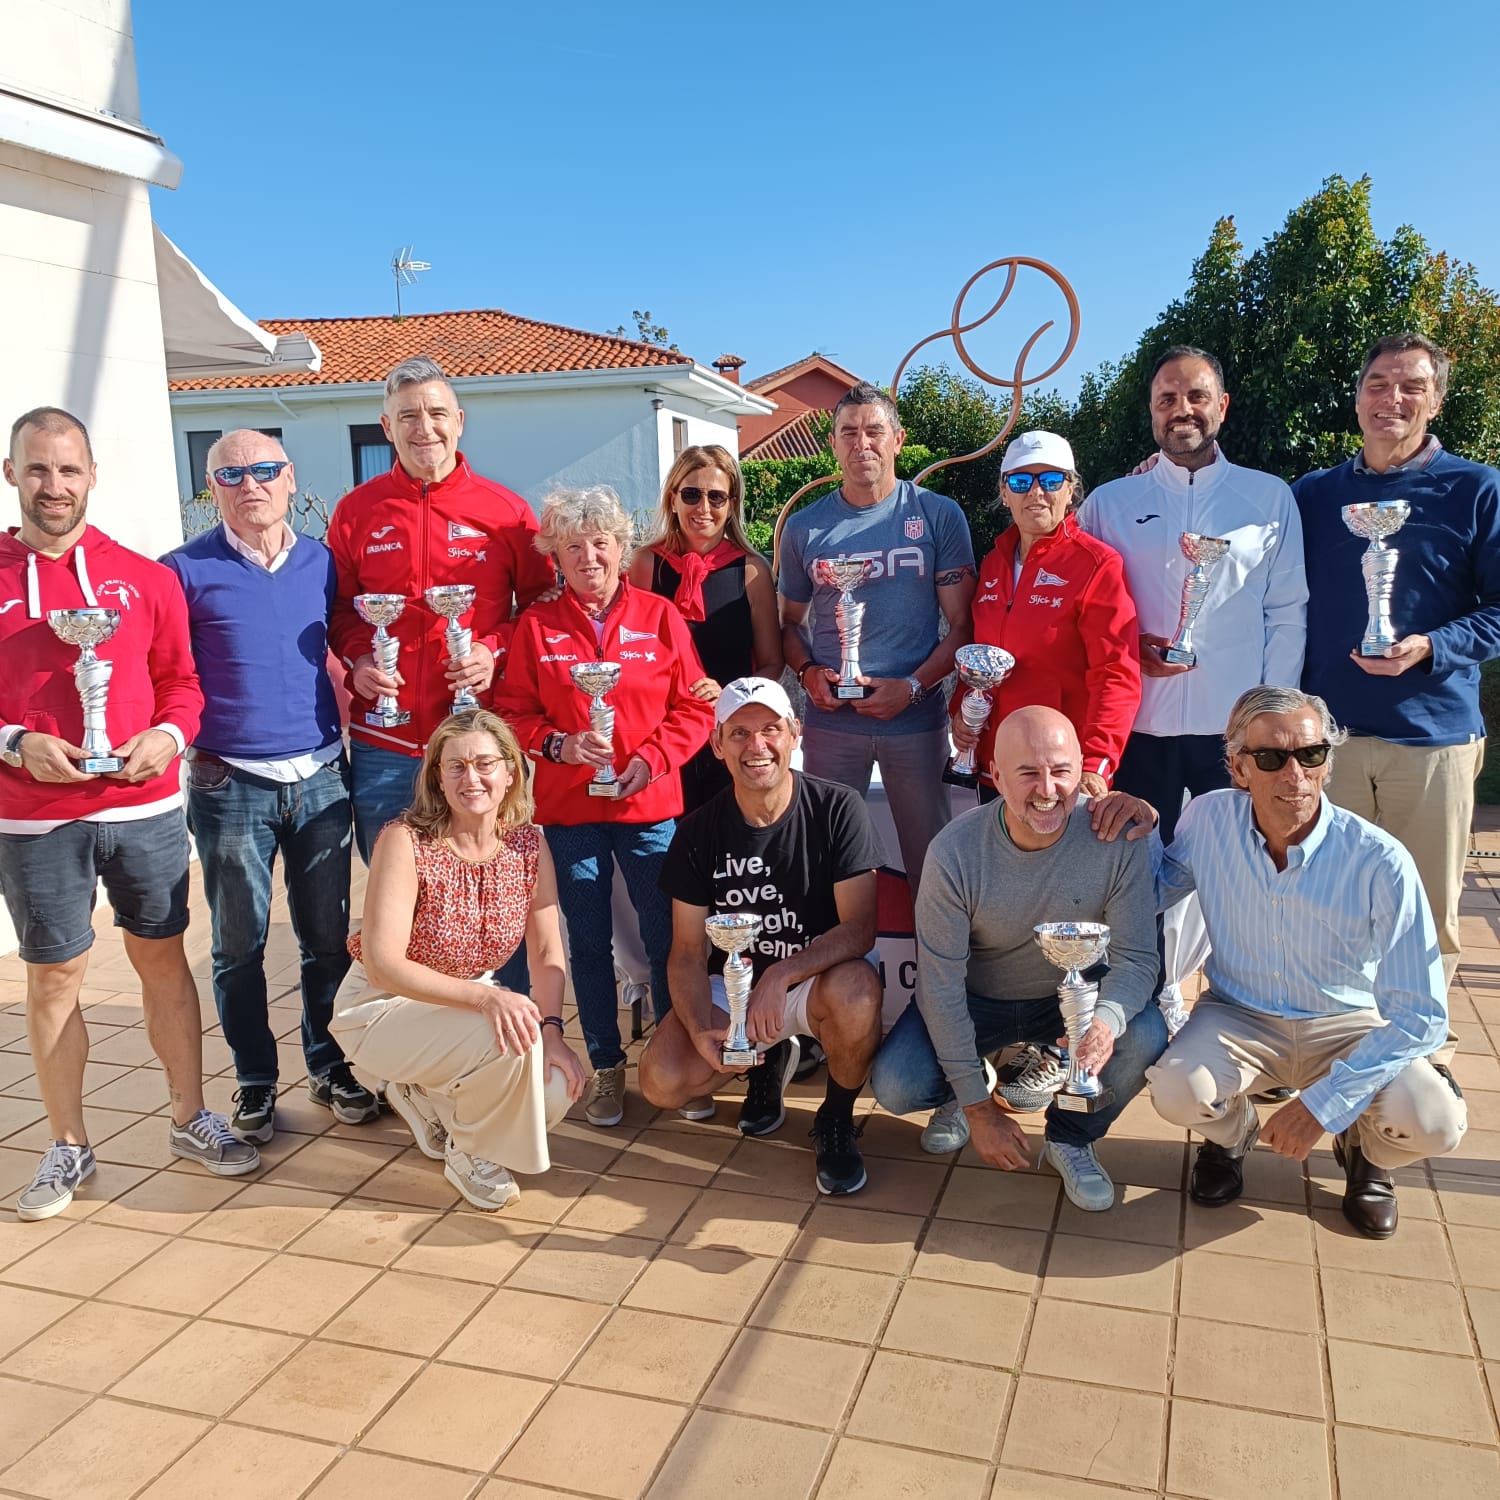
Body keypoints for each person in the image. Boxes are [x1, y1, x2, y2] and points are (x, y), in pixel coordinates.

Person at [0, 407, 257, 1220]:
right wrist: (14, 742)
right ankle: (68, 1143)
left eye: (68, 469)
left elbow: (183, 681)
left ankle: (189, 1116)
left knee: (163, 961)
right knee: (54, 977)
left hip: (142, 807)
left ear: (91, 476)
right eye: (37, 468)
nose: (54, 485)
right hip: (34, 816)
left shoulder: (144, 578)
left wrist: (169, 736)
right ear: (11, 474)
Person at [1097, 685, 1467, 1240]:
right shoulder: (1207, 817)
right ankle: (1232, 1136)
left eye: (1311, 754)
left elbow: (1422, 1016)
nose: (1295, 774)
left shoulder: (1380, 860)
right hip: (1238, 1015)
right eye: (1271, 757)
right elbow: (1152, 892)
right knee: (1176, 1091)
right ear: (1238, 768)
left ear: (1328, 761)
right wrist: (1140, 827)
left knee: (1436, 1122)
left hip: (1347, 1024)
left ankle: (1367, 1155)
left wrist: (1322, 1107)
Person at [1078, 345, 1307, 1031]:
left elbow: (1287, 612)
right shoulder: (1110, 502)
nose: (1182, 409)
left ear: (1222, 406)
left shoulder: (1268, 498)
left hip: (1229, 732)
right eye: (1167, 398)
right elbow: (1087, 612)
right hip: (1137, 727)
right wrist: (1131, 649)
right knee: (1131, 871)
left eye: (1196, 396)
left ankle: (1243, 1008)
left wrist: (1269, 722)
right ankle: (1145, 998)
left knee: (1239, 870)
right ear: (1151, 411)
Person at [163, 430, 376, 1144]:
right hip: (229, 783)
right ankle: (255, 1079)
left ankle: (330, 1066)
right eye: (231, 474)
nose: (249, 484)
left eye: (263, 470)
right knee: (236, 948)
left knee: (326, 941)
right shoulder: (181, 571)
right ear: (211, 489)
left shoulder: (324, 563)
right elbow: (164, 669)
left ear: (289, 479)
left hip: (321, 777)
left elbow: (350, 636)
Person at [870, 707, 1166, 1212]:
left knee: (1144, 1035)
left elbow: (1137, 958)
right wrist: (978, 1109)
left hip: (1071, 1001)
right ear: (996, 775)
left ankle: (1071, 1138)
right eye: (1028, 772)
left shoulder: (1116, 836)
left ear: (1082, 770)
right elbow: (940, 985)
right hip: (978, 1000)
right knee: (898, 1085)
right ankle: (966, 1084)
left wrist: (1104, 1023)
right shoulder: (954, 852)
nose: (1047, 789)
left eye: (1061, 771)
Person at [495, 486, 715, 1127]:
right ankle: (605, 1065)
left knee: (667, 938)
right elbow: (513, 712)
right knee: (588, 944)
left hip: (649, 808)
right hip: (570, 811)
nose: (588, 557)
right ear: (555, 557)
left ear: (621, 549)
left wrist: (652, 760)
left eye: (600, 543)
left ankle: (678, 1062)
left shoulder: (660, 615)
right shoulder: (536, 625)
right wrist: (559, 745)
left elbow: (695, 706)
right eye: (573, 546)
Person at [1295, 333, 1500, 988]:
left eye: (1413, 385)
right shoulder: (1314, 495)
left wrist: (1433, 646)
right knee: (1329, 909)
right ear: (1357, 398)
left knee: (1426, 914)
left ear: (1435, 401)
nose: (1393, 398)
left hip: (1431, 740)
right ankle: (1337, 1038)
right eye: (1379, 383)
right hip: (1331, 739)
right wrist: (1164, 474)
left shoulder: (1478, 488)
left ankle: (1427, 1040)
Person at [329, 710, 587, 1209]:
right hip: (380, 1007)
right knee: (507, 1033)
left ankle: (425, 1098)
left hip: (460, 1008)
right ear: (438, 778)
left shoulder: (529, 844)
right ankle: (470, 1152)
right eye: (456, 766)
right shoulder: (405, 840)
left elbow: (546, 949)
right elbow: (382, 965)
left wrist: (554, 1030)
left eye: (485, 763)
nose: (472, 778)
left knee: (555, 1087)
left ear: (510, 772)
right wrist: (487, 999)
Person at [955, 430, 1142, 1113]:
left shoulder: (1095, 563)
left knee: (1068, 915)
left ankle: (1063, 1048)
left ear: (1072, 490)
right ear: (1004, 491)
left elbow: (1117, 671)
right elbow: (980, 662)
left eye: (1051, 479)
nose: (1036, 492)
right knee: (1001, 909)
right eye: (1022, 480)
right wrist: (963, 717)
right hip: (998, 770)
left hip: (1062, 780)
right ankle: (992, 1047)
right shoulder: (992, 563)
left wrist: (1097, 763)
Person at [639, 677, 885, 1193]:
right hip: (733, 987)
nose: (757, 746)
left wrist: (781, 974)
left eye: (771, 729)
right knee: (662, 1082)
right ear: (717, 744)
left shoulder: (838, 807)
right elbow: (687, 952)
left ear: (795, 734)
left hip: (812, 980)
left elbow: (860, 929)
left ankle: (836, 1118)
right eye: (740, 733)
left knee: (858, 990)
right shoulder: (698, 831)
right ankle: (765, 1061)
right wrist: (701, 1030)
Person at [325, 356, 554, 861]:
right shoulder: (355, 512)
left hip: (480, 742)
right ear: (387, 427)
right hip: (385, 743)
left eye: (436, 414)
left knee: (491, 883)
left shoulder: (508, 512)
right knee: (390, 886)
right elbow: (338, 609)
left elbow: (542, 610)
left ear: (459, 421)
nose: (423, 428)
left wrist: (493, 650)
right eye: (407, 416)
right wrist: (360, 659)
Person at [778, 382, 976, 894]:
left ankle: (934, 953)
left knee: (932, 870)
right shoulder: (804, 528)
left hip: (915, 721)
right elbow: (789, 624)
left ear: (898, 440)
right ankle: (837, 952)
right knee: (825, 866)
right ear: (833, 444)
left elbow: (963, 626)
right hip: (831, 724)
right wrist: (807, 673)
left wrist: (911, 687)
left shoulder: (937, 514)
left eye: (874, 431)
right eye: (848, 432)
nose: (861, 443)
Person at [631, 444, 783, 811]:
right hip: (663, 736)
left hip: (729, 735)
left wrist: (730, 694)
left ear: (731, 505)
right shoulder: (645, 564)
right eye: (691, 494)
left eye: (716, 497)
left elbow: (772, 663)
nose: (703, 508)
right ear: (672, 499)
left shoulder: (752, 571)